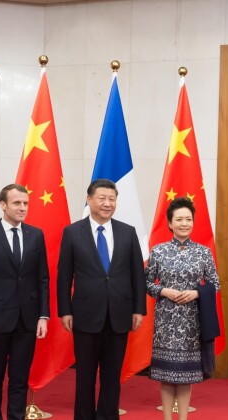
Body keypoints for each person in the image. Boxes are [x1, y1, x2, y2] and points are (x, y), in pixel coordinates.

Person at [57, 178, 146, 420]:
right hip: (85, 314)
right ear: (89, 199)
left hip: (119, 314)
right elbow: (64, 275)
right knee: (84, 375)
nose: (107, 204)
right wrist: (65, 310)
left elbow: (137, 273)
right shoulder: (73, 232)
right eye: (102, 198)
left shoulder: (127, 232)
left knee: (112, 375)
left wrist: (138, 309)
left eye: (112, 199)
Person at [0, 183, 50, 420]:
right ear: (3, 205)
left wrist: (43, 316)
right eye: (17, 203)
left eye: (25, 203)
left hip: (27, 321)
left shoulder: (36, 235)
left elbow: (42, 278)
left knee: (20, 380)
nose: (22, 208)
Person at [145, 196, 220, 420]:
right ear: (170, 223)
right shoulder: (158, 251)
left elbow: (215, 283)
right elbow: (146, 283)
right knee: (167, 375)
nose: (184, 223)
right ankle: (168, 418)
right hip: (166, 321)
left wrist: (197, 293)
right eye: (179, 219)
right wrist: (163, 291)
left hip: (192, 322)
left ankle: (183, 418)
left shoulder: (203, 252)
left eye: (188, 219)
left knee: (186, 376)